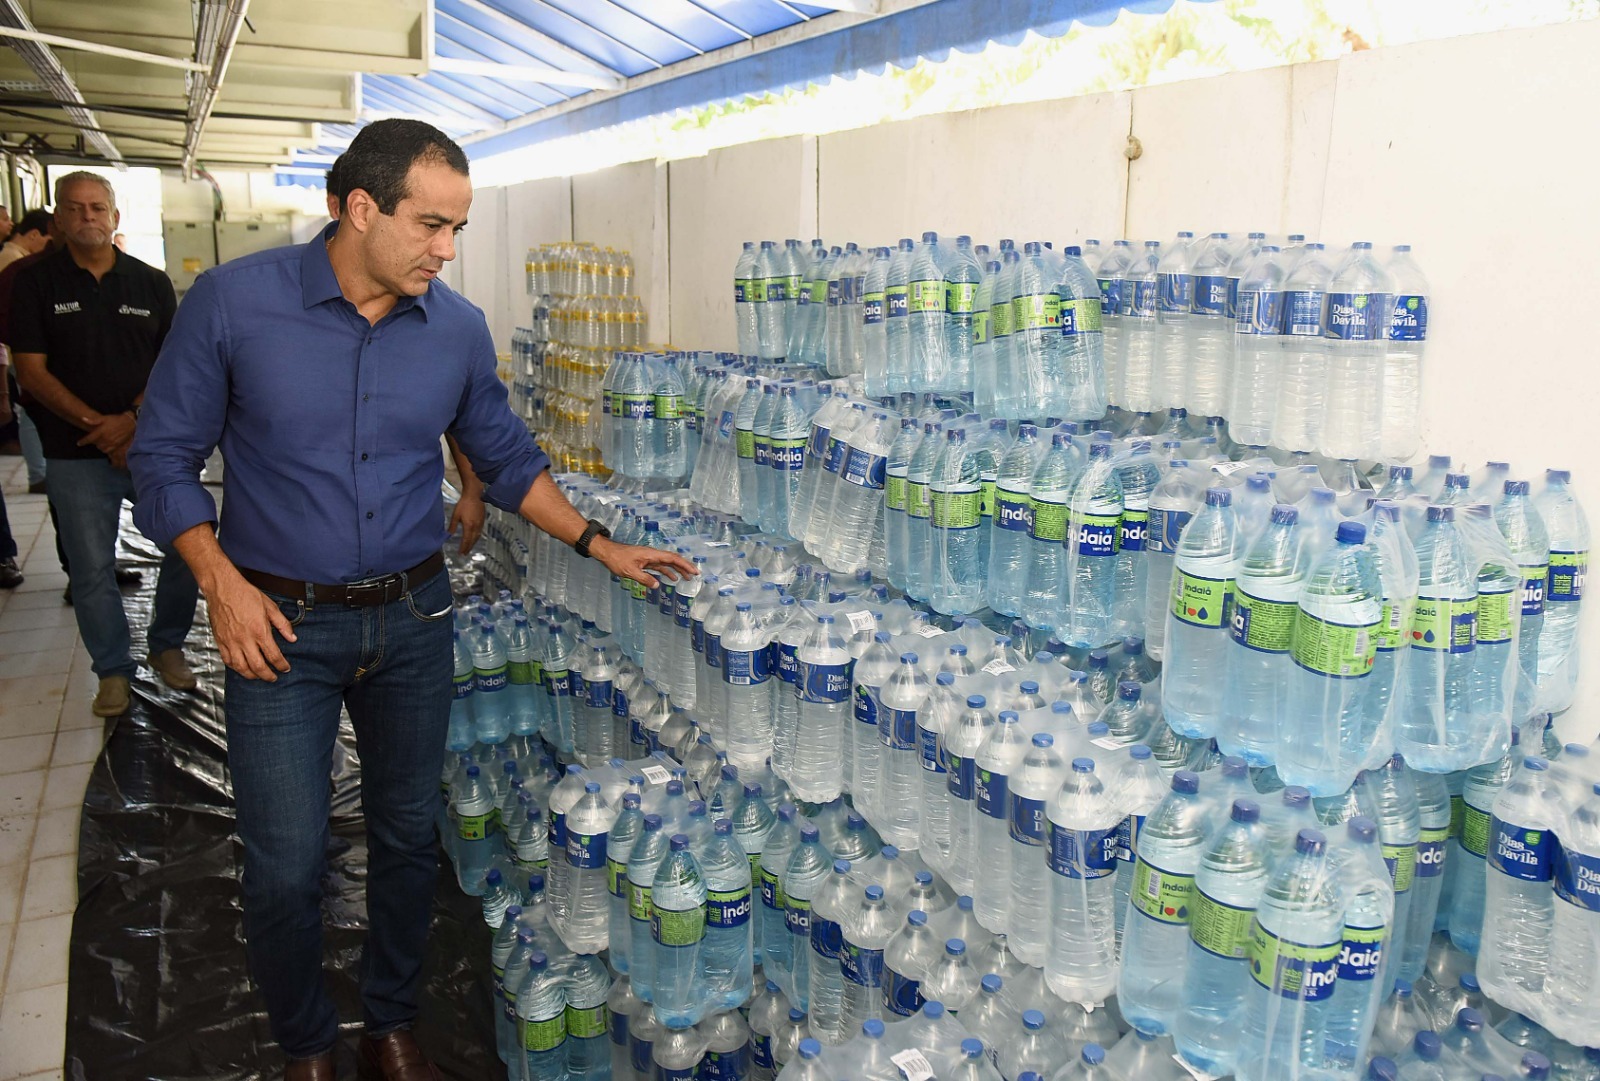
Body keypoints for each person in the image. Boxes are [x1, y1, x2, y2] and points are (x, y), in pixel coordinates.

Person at [129, 119, 694, 1081]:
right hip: (279, 626)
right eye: (432, 224)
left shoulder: (458, 330)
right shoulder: (234, 304)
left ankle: (391, 1020)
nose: (449, 248)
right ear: (359, 208)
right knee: (282, 862)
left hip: (415, 621)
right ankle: (306, 1041)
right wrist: (218, 584)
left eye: (457, 227)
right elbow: (161, 458)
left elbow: (508, 461)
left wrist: (601, 543)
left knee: (404, 836)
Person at [11, 172, 198, 718]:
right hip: (73, 454)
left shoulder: (150, 283)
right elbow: (31, 371)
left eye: (98, 208)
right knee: (91, 569)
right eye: (75, 208)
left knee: (188, 547)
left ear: (116, 217)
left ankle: (167, 646)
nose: (88, 217)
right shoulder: (35, 283)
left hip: (150, 447)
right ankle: (113, 672)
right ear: (59, 219)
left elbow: (175, 363)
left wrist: (133, 421)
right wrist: (102, 425)